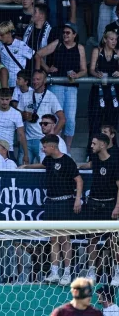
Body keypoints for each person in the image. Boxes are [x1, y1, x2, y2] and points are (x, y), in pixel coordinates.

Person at [22, 135, 83, 286]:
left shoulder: (67, 161)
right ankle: (54, 272)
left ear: (53, 147)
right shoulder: (48, 160)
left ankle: (67, 273)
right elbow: (43, 166)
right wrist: (27, 166)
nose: (42, 149)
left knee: (65, 238)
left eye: (44, 147)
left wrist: (77, 199)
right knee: (53, 238)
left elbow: (79, 180)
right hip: (51, 202)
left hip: (65, 202)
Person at [35, 22, 88, 150]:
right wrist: (46, 69)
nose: (65, 35)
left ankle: (67, 148)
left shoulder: (80, 48)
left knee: (70, 119)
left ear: (75, 35)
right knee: (56, 118)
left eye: (68, 33)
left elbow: (84, 70)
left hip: (71, 87)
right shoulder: (58, 43)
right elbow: (38, 55)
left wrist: (77, 75)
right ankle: (55, 145)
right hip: (56, 85)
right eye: (64, 32)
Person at [78, 134, 119, 282]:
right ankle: (91, 272)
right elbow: (88, 165)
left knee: (113, 240)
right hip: (94, 204)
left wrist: (117, 207)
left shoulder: (115, 163)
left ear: (102, 145)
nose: (91, 146)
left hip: (109, 205)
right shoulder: (95, 159)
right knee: (92, 239)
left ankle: (117, 272)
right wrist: (77, 165)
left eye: (94, 144)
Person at [17, 70, 66, 164]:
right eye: (34, 79)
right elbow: (17, 117)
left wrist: (52, 136)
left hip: (43, 141)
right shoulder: (25, 96)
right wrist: (24, 115)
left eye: (38, 79)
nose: (35, 82)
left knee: (44, 169)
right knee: (22, 170)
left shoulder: (51, 97)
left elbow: (62, 119)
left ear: (44, 81)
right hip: (26, 140)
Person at [88, 29, 119, 148]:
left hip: (113, 92)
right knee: (96, 121)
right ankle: (91, 151)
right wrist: (97, 74)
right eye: (111, 39)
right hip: (98, 91)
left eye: (116, 39)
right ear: (105, 40)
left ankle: (113, 149)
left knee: (112, 121)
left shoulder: (118, 53)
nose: (114, 42)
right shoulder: (97, 51)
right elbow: (91, 69)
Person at [0, 89, 29, 163]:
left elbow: (21, 134)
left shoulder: (16, 114)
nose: (4, 102)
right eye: (2, 99)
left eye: (7, 99)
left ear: (11, 98)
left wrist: (26, 154)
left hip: (9, 150)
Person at [0, 21, 35, 88]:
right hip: (5, 83)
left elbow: (36, 56)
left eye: (2, 35)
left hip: (18, 83)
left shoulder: (21, 45)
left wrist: (37, 73)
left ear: (9, 33)